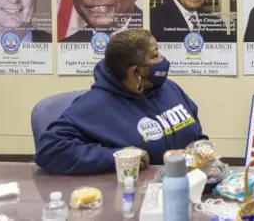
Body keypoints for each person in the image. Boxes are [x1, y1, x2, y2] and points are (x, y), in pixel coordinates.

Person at [35, 29, 208, 175]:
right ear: (135, 71)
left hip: (188, 182)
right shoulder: (95, 105)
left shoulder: (169, 88)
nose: (162, 59)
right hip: (135, 192)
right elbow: (50, 150)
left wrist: (202, 147)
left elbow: (195, 131)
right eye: (155, 56)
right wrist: (116, 157)